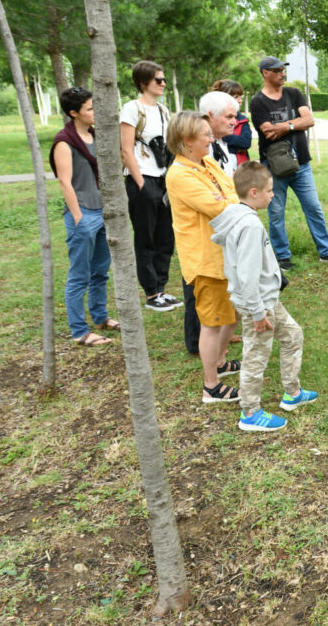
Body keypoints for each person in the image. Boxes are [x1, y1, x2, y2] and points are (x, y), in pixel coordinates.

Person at [211, 162, 318, 432]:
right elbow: (246, 275)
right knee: (255, 356)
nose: (273, 195)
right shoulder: (249, 226)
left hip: (269, 300)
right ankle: (250, 412)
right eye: (270, 191)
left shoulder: (245, 217)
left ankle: (292, 394)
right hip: (258, 305)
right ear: (255, 192)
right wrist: (258, 314)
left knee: (293, 335)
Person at [164, 111, 242, 403]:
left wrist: (230, 200)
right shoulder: (179, 174)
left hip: (225, 253)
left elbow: (233, 191)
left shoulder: (206, 162)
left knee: (231, 315)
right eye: (206, 135)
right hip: (206, 261)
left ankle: (220, 362)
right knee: (211, 323)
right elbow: (220, 207)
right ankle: (212, 386)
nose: (212, 138)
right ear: (187, 141)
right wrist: (231, 201)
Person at [249, 56, 328, 270]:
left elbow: (309, 120)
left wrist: (284, 127)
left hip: (301, 165)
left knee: (313, 207)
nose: (282, 73)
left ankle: (326, 251)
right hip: (273, 168)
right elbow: (267, 131)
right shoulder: (258, 102)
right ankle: (283, 257)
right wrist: (296, 124)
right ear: (265, 73)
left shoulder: (294, 94)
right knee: (276, 213)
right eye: (277, 70)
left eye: (283, 69)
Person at [49, 86, 116, 346]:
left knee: (101, 272)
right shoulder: (64, 142)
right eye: (90, 108)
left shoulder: (94, 135)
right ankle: (79, 331)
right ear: (74, 113)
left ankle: (100, 317)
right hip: (83, 214)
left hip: (102, 212)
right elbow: (65, 182)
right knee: (79, 276)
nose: (96, 111)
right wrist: (78, 217)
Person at [178, 91, 243, 356]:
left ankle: (217, 337)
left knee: (217, 293)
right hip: (203, 239)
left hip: (222, 231)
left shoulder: (215, 148)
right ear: (209, 117)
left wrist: (231, 197)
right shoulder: (191, 162)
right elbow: (216, 201)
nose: (234, 122)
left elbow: (229, 187)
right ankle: (197, 343)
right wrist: (231, 198)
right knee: (198, 291)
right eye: (229, 116)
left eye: (235, 116)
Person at [119, 60, 180, 312]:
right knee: (146, 236)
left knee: (166, 235)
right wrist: (141, 182)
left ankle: (162, 289)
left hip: (164, 177)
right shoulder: (132, 109)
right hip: (143, 177)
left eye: (164, 80)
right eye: (158, 80)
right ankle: (151, 291)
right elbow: (125, 149)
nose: (163, 84)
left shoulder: (164, 111)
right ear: (144, 82)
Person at [212, 79, 252, 164]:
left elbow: (246, 143)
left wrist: (225, 137)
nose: (240, 100)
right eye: (236, 97)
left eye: (241, 97)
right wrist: (236, 146)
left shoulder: (243, 119)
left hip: (241, 167)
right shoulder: (213, 118)